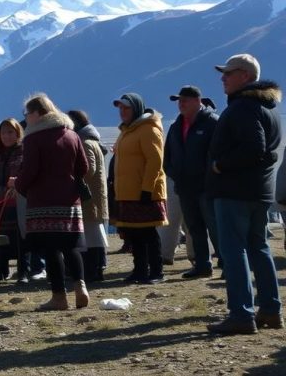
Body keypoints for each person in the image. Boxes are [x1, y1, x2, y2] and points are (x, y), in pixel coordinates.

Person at [206, 54, 283, 334]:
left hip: (234, 191)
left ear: (246, 76)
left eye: (229, 72)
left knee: (234, 251)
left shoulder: (242, 107)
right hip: (259, 191)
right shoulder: (268, 108)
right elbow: (266, 151)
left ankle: (241, 314)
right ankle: (271, 310)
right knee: (259, 248)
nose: (223, 77)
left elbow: (255, 148)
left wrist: (219, 164)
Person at [15, 94, 89, 311]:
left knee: (51, 249)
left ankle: (59, 297)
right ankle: (80, 288)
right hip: (69, 200)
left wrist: (19, 186)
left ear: (37, 113)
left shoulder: (34, 138)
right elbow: (83, 167)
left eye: (27, 113)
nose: (26, 118)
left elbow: (30, 171)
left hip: (42, 202)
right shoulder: (72, 135)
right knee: (70, 246)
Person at [163, 85, 220, 279]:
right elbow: (167, 157)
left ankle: (227, 262)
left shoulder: (212, 123)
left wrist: (210, 176)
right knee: (194, 228)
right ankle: (202, 264)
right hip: (185, 187)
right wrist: (174, 173)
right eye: (179, 101)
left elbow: (218, 153)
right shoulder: (176, 126)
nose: (181, 104)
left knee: (215, 227)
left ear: (198, 101)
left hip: (207, 187)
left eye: (185, 100)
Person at [112, 93, 168, 285]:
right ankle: (139, 270)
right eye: (120, 108)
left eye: (126, 108)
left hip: (144, 191)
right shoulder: (127, 131)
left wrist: (147, 189)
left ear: (136, 108)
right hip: (127, 191)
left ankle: (156, 272)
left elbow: (155, 161)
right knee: (133, 234)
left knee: (148, 233)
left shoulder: (148, 130)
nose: (122, 112)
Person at [67, 110, 109, 283]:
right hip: (94, 197)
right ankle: (96, 269)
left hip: (88, 197)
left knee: (90, 235)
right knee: (95, 234)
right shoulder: (92, 141)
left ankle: (90, 271)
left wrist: (69, 176)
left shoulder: (84, 143)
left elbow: (88, 169)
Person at [0, 119, 26, 284]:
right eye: (3, 133)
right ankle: (0, 269)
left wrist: (18, 183)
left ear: (18, 134)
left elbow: (30, 173)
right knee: (0, 238)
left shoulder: (26, 153)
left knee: (21, 238)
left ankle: (23, 271)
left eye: (10, 132)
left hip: (20, 203)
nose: (7, 136)